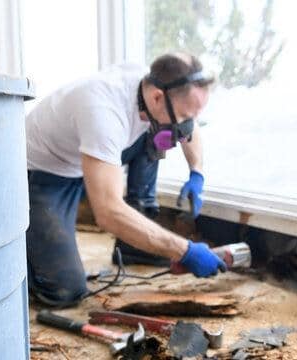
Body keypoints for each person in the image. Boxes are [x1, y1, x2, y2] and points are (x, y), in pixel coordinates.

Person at [25, 53, 226, 307]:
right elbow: (108, 213)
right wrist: (184, 250)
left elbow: (188, 120)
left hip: (85, 156)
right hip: (43, 174)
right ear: (156, 98)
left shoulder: (156, 86)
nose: (189, 126)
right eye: (186, 117)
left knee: (158, 131)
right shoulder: (103, 112)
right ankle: (23, 247)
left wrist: (196, 172)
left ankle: (134, 244)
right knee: (64, 291)